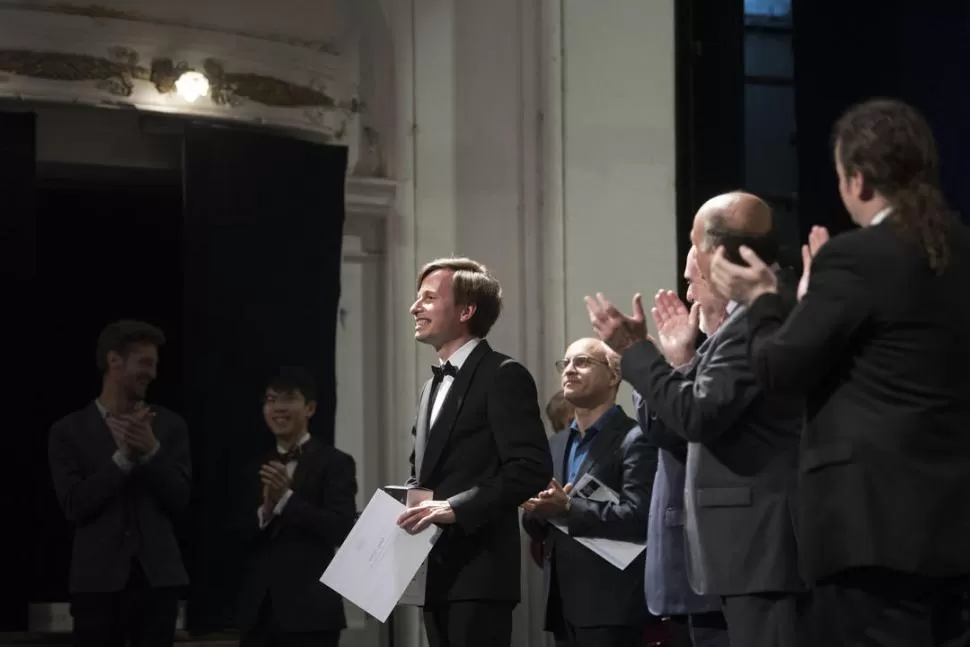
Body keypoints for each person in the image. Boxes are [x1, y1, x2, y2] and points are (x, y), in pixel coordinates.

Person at [710, 98, 970, 646]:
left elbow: (780, 369)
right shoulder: (959, 250)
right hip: (954, 528)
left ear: (859, 179)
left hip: (871, 529)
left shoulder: (856, 257)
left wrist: (763, 299)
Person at [585, 192, 804, 647]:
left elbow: (698, 416)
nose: (691, 271)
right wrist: (666, 360)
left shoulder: (755, 321)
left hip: (760, 550)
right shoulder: (743, 324)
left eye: (695, 246)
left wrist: (634, 352)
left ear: (720, 254)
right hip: (743, 556)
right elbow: (670, 424)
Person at [396, 257, 553, 647]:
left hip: (480, 575)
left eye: (429, 298)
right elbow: (423, 476)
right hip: (433, 573)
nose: (415, 308)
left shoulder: (503, 374)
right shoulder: (429, 388)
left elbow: (530, 468)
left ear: (466, 310)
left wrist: (454, 508)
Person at [48, 320, 191, 647]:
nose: (153, 373)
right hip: (97, 584)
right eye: (144, 363)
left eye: (155, 364)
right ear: (114, 361)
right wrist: (124, 458)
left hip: (158, 580)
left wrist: (152, 451)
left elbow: (180, 498)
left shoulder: (169, 425)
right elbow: (74, 505)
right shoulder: (67, 431)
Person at [522, 338, 656, 647]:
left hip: (613, 605)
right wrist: (536, 511)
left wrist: (567, 509)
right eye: (565, 363)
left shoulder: (636, 438)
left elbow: (640, 516)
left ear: (613, 376)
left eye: (582, 362)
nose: (569, 370)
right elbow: (536, 528)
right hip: (561, 604)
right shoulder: (553, 445)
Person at [634, 249, 731, 647]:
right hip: (688, 570)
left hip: (719, 563)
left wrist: (678, 363)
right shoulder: (708, 351)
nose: (688, 296)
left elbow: (674, 429)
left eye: (693, 282)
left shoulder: (730, 352)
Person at [238, 367, 358, 647]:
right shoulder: (253, 467)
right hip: (258, 614)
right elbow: (235, 535)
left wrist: (287, 500)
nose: (278, 407)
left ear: (310, 408)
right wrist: (266, 510)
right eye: (270, 399)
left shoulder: (336, 463)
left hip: (312, 613)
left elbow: (341, 529)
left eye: (288, 398)